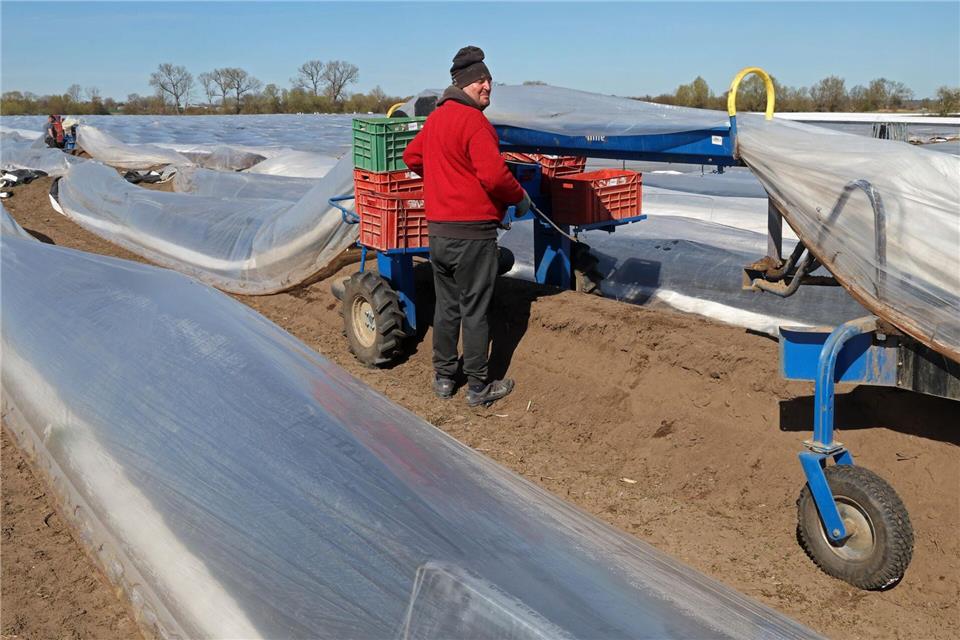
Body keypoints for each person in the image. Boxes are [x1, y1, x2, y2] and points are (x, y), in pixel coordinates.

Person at [403, 46, 532, 407]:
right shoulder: (475, 122)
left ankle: (444, 377)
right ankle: (478, 386)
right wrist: (519, 196)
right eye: (481, 81)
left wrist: (445, 180)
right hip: (472, 235)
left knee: (447, 306)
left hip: (440, 233)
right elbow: (494, 175)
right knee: (475, 309)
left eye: (489, 80)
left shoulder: (436, 120)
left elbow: (412, 156)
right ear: (465, 84)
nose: (487, 86)